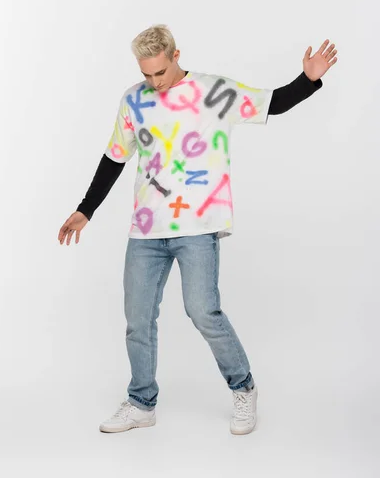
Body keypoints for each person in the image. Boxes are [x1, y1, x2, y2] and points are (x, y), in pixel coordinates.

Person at [58, 24, 337, 435]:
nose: (154, 82)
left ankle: (244, 387)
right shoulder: (133, 99)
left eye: (160, 72)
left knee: (202, 310)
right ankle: (141, 402)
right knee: (137, 319)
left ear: (175, 55)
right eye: (146, 74)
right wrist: (86, 209)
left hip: (198, 225)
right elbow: (114, 157)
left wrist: (309, 79)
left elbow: (271, 103)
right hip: (147, 228)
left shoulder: (212, 92)